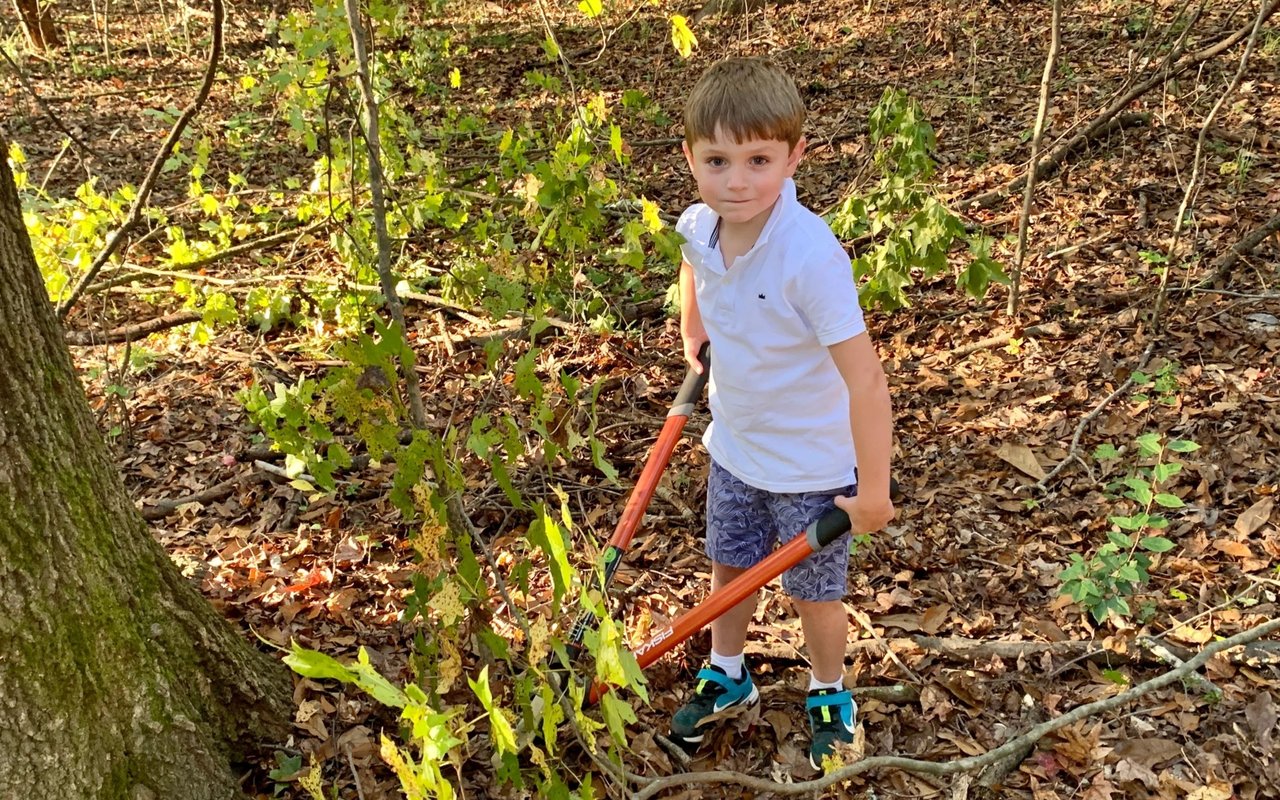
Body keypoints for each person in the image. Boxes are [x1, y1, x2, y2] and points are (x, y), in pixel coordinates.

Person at [669, 56, 896, 771]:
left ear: (795, 156)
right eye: (717, 160)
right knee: (728, 568)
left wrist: (874, 490)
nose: (737, 181)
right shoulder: (699, 224)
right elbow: (693, 267)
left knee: (814, 594)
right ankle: (728, 674)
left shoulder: (810, 256)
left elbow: (866, 379)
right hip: (736, 445)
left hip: (811, 467)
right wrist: (694, 332)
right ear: (691, 158)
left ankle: (829, 691)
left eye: (758, 159)